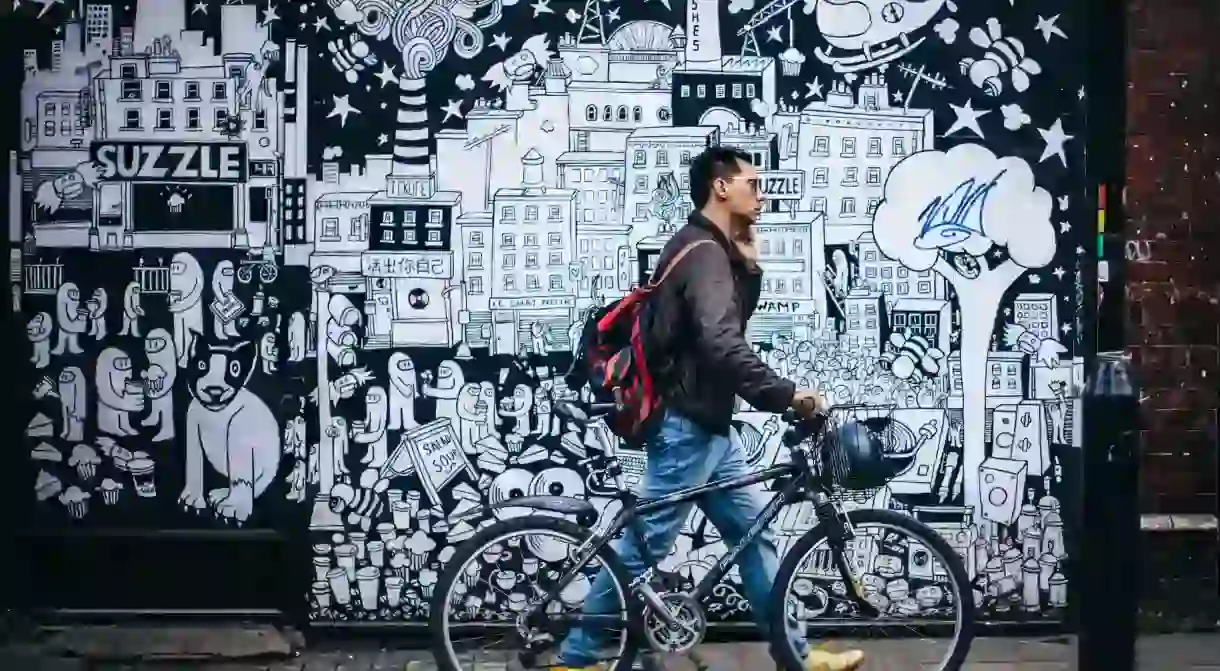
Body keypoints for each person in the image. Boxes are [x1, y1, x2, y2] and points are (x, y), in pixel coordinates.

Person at [557, 147, 865, 671]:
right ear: (721, 187)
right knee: (641, 549)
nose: (761, 192)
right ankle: (578, 656)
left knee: (753, 536)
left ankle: (795, 654)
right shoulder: (703, 253)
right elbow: (721, 344)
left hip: (708, 425)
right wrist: (786, 394)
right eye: (752, 182)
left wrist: (746, 258)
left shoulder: (713, 248)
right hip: (687, 424)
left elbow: (715, 341)